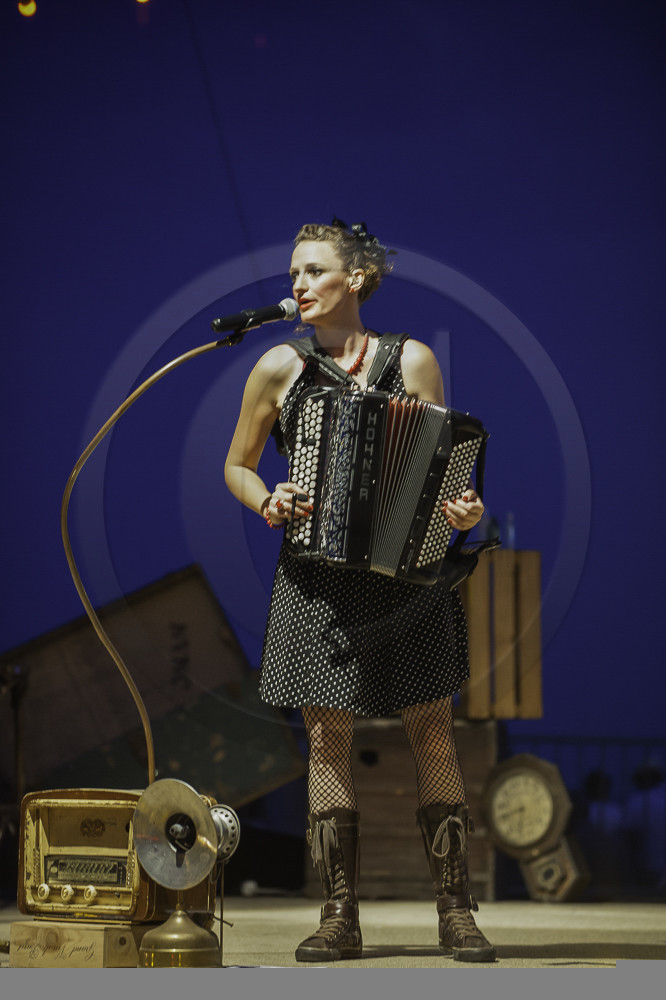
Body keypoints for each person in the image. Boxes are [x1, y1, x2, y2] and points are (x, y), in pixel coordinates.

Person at [224, 219, 495, 963]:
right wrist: (267, 499)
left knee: (431, 730)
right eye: (294, 273)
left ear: (357, 277)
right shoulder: (278, 367)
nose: (299, 284)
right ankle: (338, 914)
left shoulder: (413, 360)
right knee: (326, 737)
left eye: (314, 270)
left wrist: (461, 510)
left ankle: (456, 912)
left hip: (406, 579)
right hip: (315, 580)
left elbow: (442, 473)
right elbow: (238, 465)